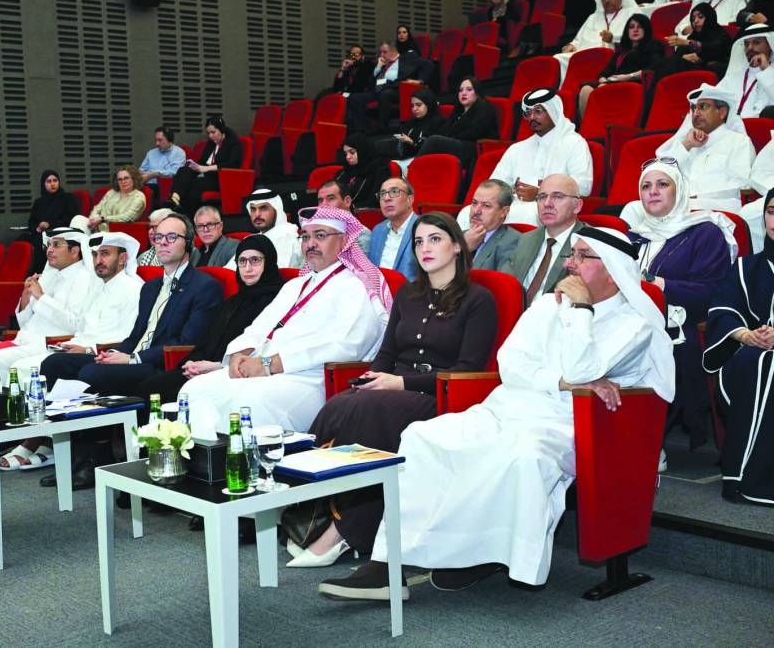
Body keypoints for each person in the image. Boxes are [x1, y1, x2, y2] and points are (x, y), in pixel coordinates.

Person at [319, 226, 675, 600]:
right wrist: (559, 381)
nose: (570, 263)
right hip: (510, 404)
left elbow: (583, 371)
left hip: (572, 424)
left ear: (614, 270)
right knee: (423, 437)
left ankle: (483, 555)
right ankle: (388, 564)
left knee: (520, 454)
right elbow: (511, 363)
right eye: (573, 254)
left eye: (584, 256)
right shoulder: (546, 305)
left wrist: (582, 312)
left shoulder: (635, 326)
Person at [287, 213, 497, 567]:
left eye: (435, 239)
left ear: (457, 247)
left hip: (439, 397)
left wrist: (400, 383)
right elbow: (386, 355)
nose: (425, 248)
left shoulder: (478, 299)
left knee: (367, 411)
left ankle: (343, 534)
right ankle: (308, 510)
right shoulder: (407, 295)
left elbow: (467, 371)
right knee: (341, 404)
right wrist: (373, 380)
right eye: (419, 242)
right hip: (391, 387)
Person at [38, 213, 224, 488]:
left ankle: (93, 458)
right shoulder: (150, 288)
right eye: (158, 237)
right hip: (135, 356)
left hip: (162, 364)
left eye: (171, 237)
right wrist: (114, 353)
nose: (163, 243)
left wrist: (132, 357)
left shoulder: (204, 286)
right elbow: (136, 335)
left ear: (188, 243)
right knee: (55, 364)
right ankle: (78, 454)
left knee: (93, 372)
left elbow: (188, 342)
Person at [183, 206, 391, 434]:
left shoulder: (357, 286)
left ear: (343, 241)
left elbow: (347, 346)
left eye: (320, 235)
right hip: (261, 369)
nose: (310, 243)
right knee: (194, 390)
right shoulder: (294, 285)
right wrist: (237, 355)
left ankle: (251, 468)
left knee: (251, 402)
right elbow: (258, 327)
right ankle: (205, 467)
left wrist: (269, 365)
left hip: (310, 378)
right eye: (305, 237)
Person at [0, 232, 144, 471]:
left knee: (49, 365)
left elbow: (129, 337)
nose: (98, 260)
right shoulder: (100, 288)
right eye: (95, 254)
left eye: (105, 254)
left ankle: (39, 441)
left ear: (123, 258)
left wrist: (87, 348)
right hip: (78, 346)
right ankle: (46, 441)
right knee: (46, 363)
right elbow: (82, 326)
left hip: (105, 354)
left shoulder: (134, 288)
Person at [623, 160, 734, 450]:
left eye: (663, 184)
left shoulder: (704, 232)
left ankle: (645, 442)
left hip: (679, 319)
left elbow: (712, 291)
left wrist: (659, 285)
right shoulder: (634, 236)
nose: (653, 192)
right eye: (646, 186)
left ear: (679, 191)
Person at [137, 234, 284, 406]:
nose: (248, 268)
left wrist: (217, 366)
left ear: (270, 262)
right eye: (242, 261)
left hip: (237, 374)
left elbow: (262, 352)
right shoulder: (233, 301)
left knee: (159, 391)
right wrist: (192, 363)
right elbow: (207, 341)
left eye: (255, 260)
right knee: (148, 388)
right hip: (206, 369)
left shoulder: (279, 301)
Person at [0, 227, 97, 385]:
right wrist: (26, 297)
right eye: (49, 245)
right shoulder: (49, 276)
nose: (49, 250)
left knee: (0, 359)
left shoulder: (85, 279)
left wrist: (41, 297)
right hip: (24, 340)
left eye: (56, 245)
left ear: (74, 251)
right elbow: (24, 323)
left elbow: (74, 324)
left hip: (49, 345)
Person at [703, 187, 774, 505]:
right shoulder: (746, 268)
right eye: (772, 211)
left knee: (766, 364)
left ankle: (750, 475)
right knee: (758, 361)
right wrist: (747, 336)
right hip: (748, 353)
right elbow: (722, 309)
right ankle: (743, 474)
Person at [469, 89, 592, 228]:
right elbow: (495, 185)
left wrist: (540, 194)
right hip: (512, 204)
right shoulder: (517, 149)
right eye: (528, 113)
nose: (532, 117)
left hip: (549, 208)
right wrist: (512, 191)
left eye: (538, 111)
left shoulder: (575, 143)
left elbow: (583, 186)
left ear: (554, 111)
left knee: (530, 214)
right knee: (467, 213)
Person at [653, 84, 756, 212]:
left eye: (703, 107)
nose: (696, 113)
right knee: (632, 209)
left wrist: (694, 194)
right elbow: (661, 173)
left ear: (722, 112)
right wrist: (687, 145)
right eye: (693, 108)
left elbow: (743, 185)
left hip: (717, 209)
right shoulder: (687, 142)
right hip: (681, 207)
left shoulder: (738, 141)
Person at [498, 173, 588, 305]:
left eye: (558, 197)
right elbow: (504, 285)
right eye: (541, 197)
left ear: (578, 206)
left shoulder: (588, 244)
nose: (547, 204)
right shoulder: (526, 239)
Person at [578, 14, 663, 118]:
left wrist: (628, 76)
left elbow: (654, 69)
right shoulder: (621, 52)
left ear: (646, 29)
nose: (635, 30)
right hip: (613, 82)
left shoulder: (654, 46)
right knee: (586, 89)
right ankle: (588, 127)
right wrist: (603, 80)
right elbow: (605, 72)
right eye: (631, 27)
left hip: (635, 82)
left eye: (639, 27)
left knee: (602, 89)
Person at [554, 0, 640, 81]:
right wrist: (572, 45)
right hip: (584, 52)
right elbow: (579, 38)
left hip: (612, 53)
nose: (607, 0)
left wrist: (613, 38)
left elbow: (637, 37)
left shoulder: (632, 12)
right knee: (558, 58)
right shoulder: (593, 17)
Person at [345, 40, 432, 132]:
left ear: (393, 51)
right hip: (378, 90)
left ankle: (382, 127)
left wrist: (420, 81)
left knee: (385, 94)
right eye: (381, 52)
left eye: (385, 52)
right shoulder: (382, 63)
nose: (381, 55)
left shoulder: (407, 59)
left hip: (396, 90)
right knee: (354, 98)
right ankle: (362, 129)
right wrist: (378, 68)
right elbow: (370, 84)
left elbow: (428, 65)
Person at [417, 77, 500, 169]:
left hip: (473, 148)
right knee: (433, 141)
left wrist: (449, 138)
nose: (463, 93)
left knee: (434, 141)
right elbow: (445, 130)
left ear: (477, 92)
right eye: (460, 90)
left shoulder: (485, 107)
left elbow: (475, 132)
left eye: (469, 89)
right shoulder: (458, 111)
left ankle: (411, 170)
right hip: (457, 145)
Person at [167, 116, 242, 214]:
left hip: (220, 178)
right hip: (206, 175)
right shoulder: (212, 143)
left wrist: (206, 168)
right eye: (208, 133)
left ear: (222, 130)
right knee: (183, 170)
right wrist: (195, 166)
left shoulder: (233, 143)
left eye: (213, 132)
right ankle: (175, 197)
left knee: (191, 187)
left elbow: (230, 165)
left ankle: (180, 209)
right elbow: (203, 161)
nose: (210, 136)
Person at [654, 1, 734, 89]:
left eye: (700, 17)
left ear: (710, 17)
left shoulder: (721, 34)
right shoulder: (694, 36)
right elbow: (678, 55)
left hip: (714, 75)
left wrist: (690, 45)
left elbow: (715, 48)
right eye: (692, 19)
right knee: (667, 62)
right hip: (690, 74)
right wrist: (683, 57)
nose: (695, 21)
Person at [227, 188, 301, 269]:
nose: (257, 214)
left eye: (263, 208)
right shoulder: (249, 240)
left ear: (277, 210)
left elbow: (279, 272)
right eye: (253, 209)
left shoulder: (288, 237)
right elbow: (229, 270)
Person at [23, 170, 79, 274]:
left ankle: (40, 274)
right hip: (40, 233)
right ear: (43, 184)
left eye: (55, 180)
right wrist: (37, 227)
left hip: (59, 233)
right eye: (49, 181)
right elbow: (32, 221)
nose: (53, 184)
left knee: (39, 242)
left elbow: (71, 219)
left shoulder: (67, 198)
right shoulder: (39, 202)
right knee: (23, 240)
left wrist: (50, 224)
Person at [715, 23, 774, 119]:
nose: (750, 48)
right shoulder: (733, 77)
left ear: (770, 45)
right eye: (746, 44)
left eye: (757, 42)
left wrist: (766, 69)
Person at [462, 179, 522, 270]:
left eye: (486, 205)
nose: (476, 211)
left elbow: (498, 282)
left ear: (504, 211)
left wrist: (463, 250)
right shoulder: (460, 236)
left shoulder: (513, 243)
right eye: (474, 203)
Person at [374, 89, 444, 164]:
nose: (414, 109)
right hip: (404, 156)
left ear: (429, 104)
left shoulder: (437, 123)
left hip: (423, 161)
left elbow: (432, 149)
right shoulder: (412, 121)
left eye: (419, 105)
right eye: (412, 106)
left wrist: (411, 142)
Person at [368, 177, 418, 281]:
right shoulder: (378, 230)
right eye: (382, 194)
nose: (386, 198)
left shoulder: (423, 228)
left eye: (394, 192)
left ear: (410, 200)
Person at [333, 133, 391, 211]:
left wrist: (350, 208)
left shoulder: (379, 170)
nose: (348, 157)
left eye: (352, 152)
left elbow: (375, 200)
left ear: (362, 150)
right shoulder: (343, 173)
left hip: (364, 215)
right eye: (346, 153)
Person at [316, 180, 372, 254]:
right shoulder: (315, 233)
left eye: (331, 198)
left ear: (347, 201)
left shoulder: (361, 234)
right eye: (320, 200)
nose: (324, 205)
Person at [84, 165, 146, 230]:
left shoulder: (139, 196)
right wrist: (93, 219)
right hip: (97, 227)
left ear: (134, 179)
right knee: (78, 218)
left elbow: (127, 217)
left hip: (118, 231)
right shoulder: (111, 192)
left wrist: (102, 219)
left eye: (126, 178)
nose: (123, 182)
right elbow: (97, 208)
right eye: (120, 179)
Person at [674, 0, 751, 34]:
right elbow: (681, 25)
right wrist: (684, 29)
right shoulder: (703, 3)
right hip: (692, 42)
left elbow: (735, 22)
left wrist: (705, 27)